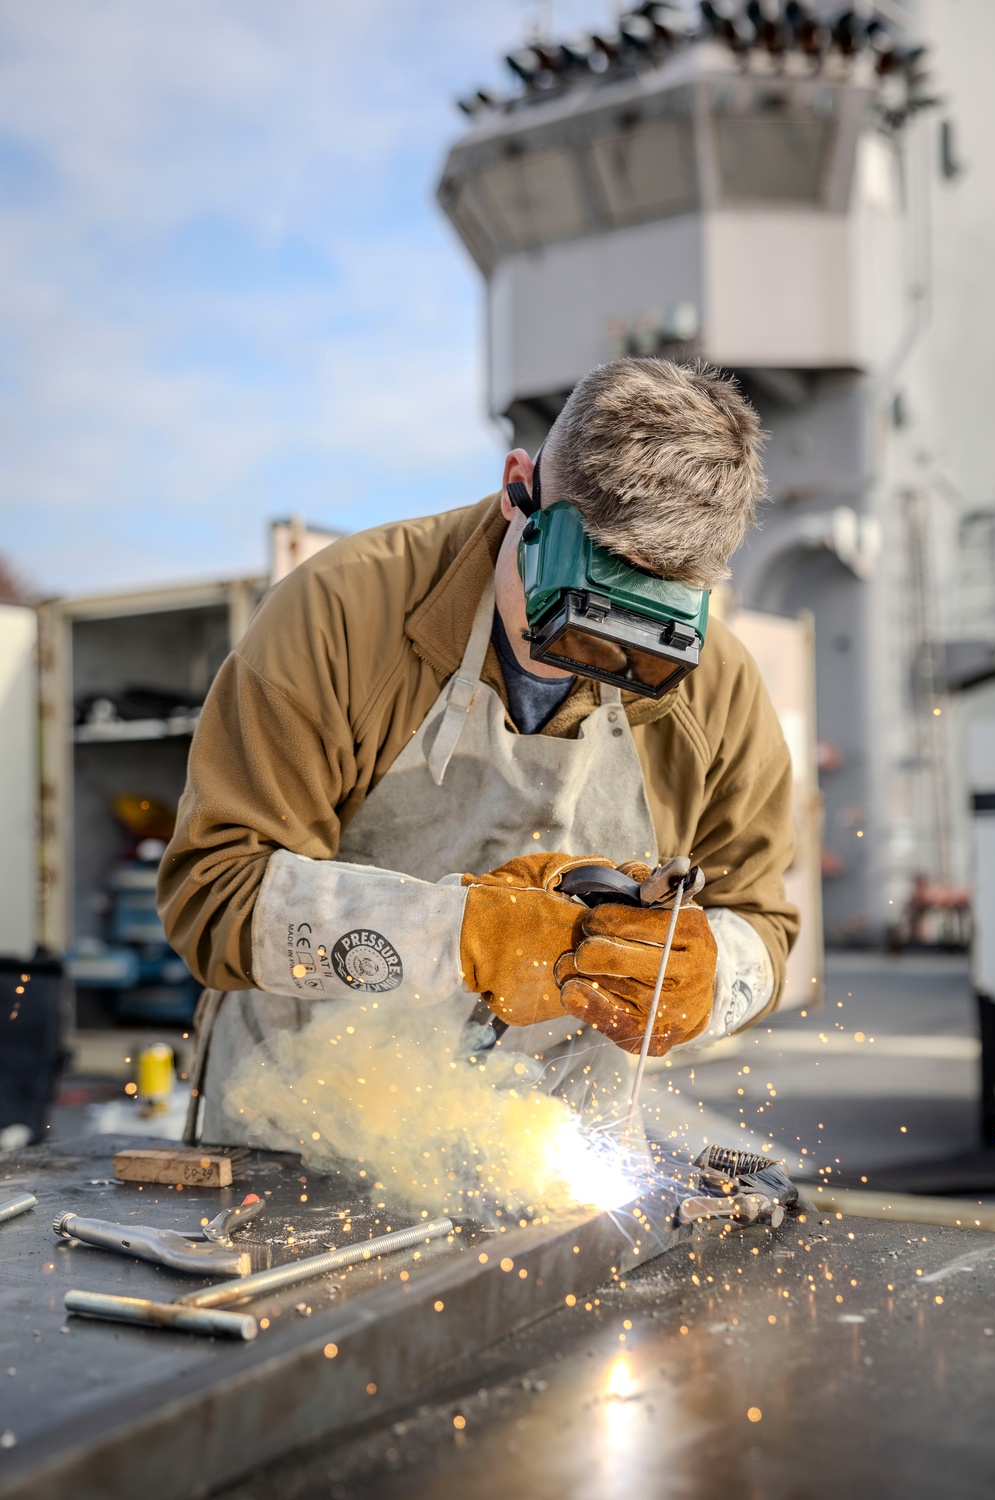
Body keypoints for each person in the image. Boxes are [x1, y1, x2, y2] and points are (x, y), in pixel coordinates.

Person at [158, 358, 799, 1146]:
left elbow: (761, 922)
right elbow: (212, 900)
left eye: (632, 642)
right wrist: (460, 936)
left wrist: (706, 980)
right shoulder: (336, 615)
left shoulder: (718, 686)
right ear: (516, 488)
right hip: (307, 1118)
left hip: (552, 1140)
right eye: (568, 614)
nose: (579, 665)